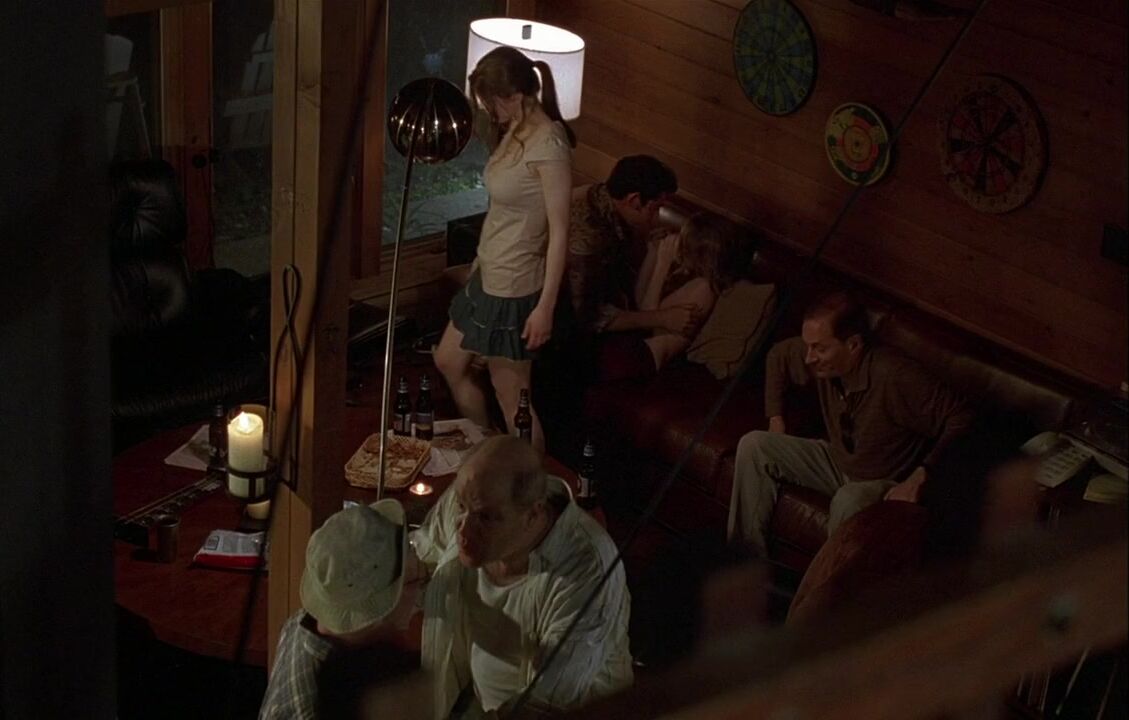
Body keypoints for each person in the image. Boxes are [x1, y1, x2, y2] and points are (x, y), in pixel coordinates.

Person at [727, 291, 976, 558]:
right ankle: (744, 564)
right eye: (809, 346)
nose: (809, 357)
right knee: (754, 445)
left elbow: (963, 417)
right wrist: (776, 419)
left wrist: (921, 475)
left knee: (848, 499)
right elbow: (778, 357)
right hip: (838, 460)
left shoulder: (895, 375)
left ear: (853, 345)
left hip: (882, 480)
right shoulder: (818, 359)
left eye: (820, 348)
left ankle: (825, 583)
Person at [411, 435, 633, 718]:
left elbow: (546, 703)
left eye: (486, 518)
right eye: (462, 507)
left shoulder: (587, 569)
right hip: (475, 701)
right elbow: (422, 551)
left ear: (533, 514)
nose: (462, 530)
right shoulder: (475, 496)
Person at [434, 46, 575, 454]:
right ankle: (488, 453)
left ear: (513, 95)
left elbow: (560, 232)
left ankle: (527, 478)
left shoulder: (549, 144)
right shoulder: (515, 129)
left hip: (516, 284)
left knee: (513, 399)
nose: (489, 111)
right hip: (489, 272)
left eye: (491, 102)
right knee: (449, 360)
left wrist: (545, 307)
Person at [259, 500, 427, 720]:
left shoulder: (300, 623)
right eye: (412, 581)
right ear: (377, 614)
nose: (422, 583)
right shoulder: (325, 710)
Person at [566, 154, 694, 342]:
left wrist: (652, 251)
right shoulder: (589, 238)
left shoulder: (601, 195)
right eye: (655, 208)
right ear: (634, 201)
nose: (656, 217)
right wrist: (664, 318)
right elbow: (587, 318)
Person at [607, 212, 743, 377]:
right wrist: (653, 252)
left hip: (645, 356)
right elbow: (640, 299)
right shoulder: (686, 274)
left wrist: (662, 264)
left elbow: (648, 320)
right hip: (636, 342)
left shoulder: (704, 289)